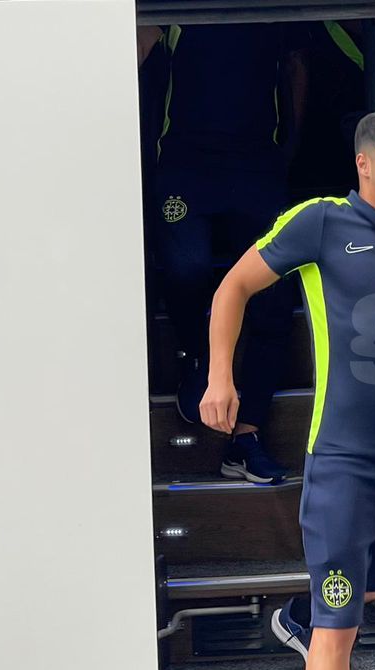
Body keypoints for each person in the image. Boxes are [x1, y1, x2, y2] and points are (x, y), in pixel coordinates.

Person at [199, 111, 375, 670]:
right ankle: (312, 626)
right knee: (338, 632)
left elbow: (371, 330)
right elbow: (233, 286)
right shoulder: (321, 221)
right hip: (346, 459)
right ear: (364, 164)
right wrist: (221, 377)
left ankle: (297, 617)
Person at [138, 23, 310, 483]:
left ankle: (247, 437)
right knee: (186, 267)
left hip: (256, 161)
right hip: (183, 159)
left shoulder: (273, 12)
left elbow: (295, 65)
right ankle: (200, 358)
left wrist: (288, 147)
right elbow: (135, 48)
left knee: (273, 300)